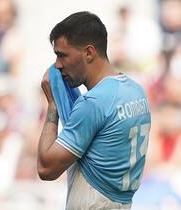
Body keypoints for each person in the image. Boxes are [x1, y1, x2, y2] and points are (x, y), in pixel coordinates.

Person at [37, 11, 151, 210]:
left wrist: (53, 107)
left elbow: (46, 169)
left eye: (62, 55)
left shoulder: (93, 103)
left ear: (89, 53)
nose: (57, 65)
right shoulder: (136, 91)